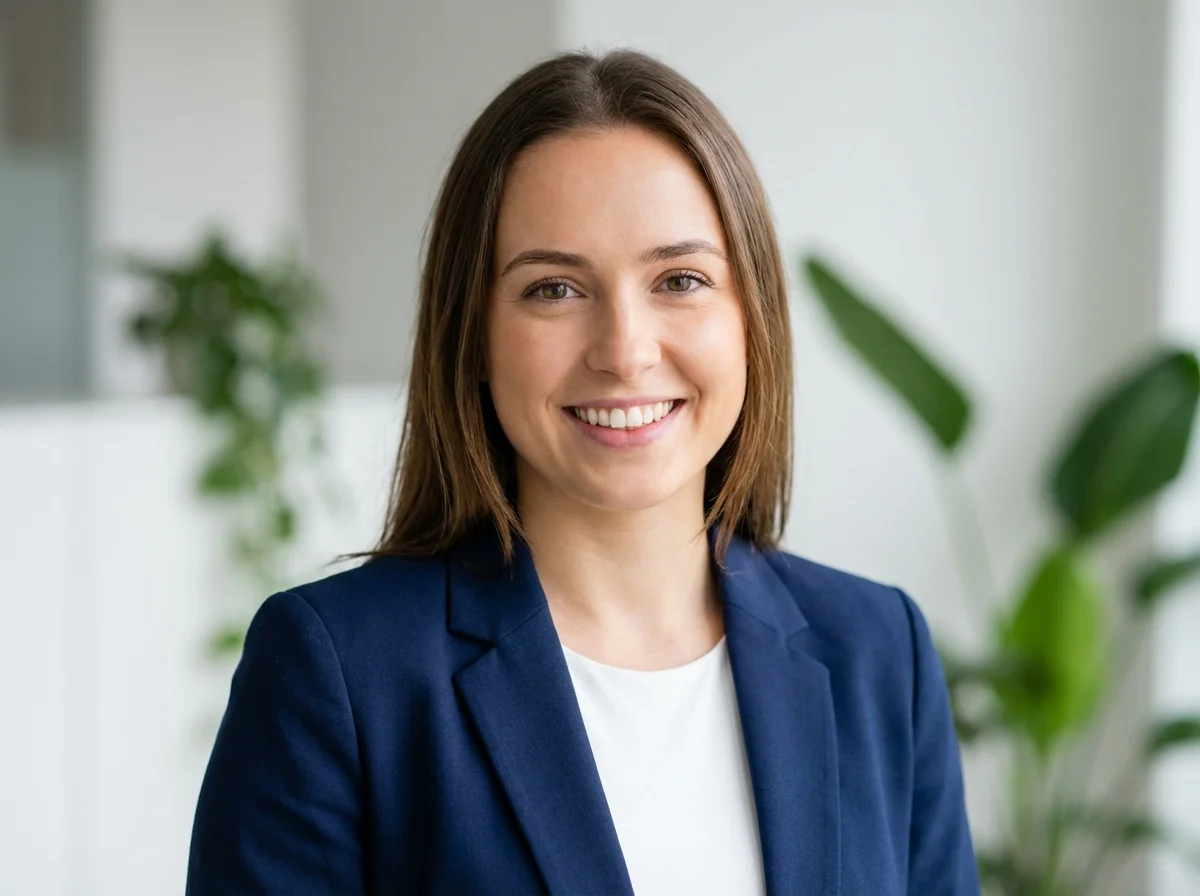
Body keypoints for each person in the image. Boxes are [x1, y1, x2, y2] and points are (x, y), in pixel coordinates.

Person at [185, 49, 978, 895]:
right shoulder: (338, 674)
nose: (626, 352)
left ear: (752, 319)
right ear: (474, 336)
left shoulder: (878, 650)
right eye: (555, 290)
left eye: (680, 279)